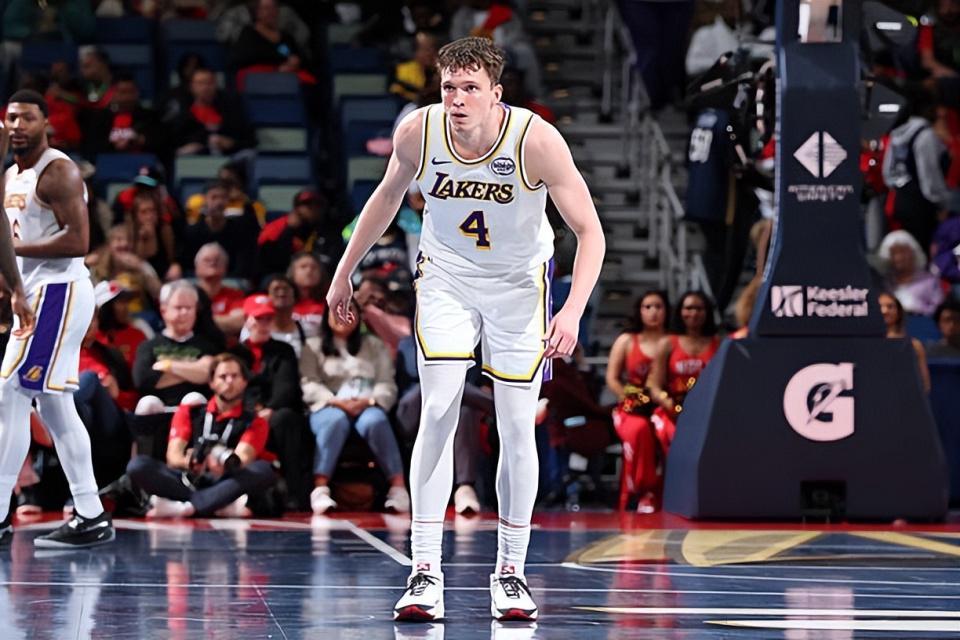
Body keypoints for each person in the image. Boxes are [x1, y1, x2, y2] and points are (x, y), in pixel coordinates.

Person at [325, 38, 605, 621]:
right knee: (437, 410)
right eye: (449, 87)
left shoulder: (535, 141)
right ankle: (424, 571)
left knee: (516, 424)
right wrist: (344, 271)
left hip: (518, 286)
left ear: (496, 94)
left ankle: (511, 573)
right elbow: (386, 197)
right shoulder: (418, 131)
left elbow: (590, 232)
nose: (456, 98)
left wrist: (572, 309)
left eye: (470, 88)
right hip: (446, 279)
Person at [0, 90, 115, 548]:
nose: (18, 126)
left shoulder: (59, 171)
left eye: (27, 118)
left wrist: (11, 251)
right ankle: (91, 513)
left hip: (59, 291)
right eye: (11, 118)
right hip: (33, 293)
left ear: (46, 122)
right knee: (53, 405)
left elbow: (78, 241)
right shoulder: (11, 175)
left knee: (10, 392)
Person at [126, 353, 277, 518]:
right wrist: (190, 462)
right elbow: (173, 457)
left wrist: (221, 465)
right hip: (188, 479)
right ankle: (213, 504)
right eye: (223, 376)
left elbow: (242, 459)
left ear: (244, 381)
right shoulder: (191, 411)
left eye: (234, 376)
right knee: (138, 465)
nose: (229, 381)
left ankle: (186, 507)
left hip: (226, 480)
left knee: (263, 470)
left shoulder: (254, 421)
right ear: (212, 382)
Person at [300, 299, 408, 515]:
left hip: (367, 404)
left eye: (350, 310)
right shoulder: (313, 346)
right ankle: (320, 488)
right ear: (327, 316)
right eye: (337, 311)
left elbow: (386, 382)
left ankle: (398, 488)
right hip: (328, 405)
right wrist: (335, 401)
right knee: (335, 420)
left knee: (375, 420)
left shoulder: (374, 345)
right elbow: (309, 382)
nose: (344, 316)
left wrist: (369, 401)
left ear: (359, 317)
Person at [605, 291, 668, 513]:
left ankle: (668, 494)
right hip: (630, 409)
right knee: (640, 430)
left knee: (669, 433)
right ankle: (641, 492)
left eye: (658, 306)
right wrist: (629, 397)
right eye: (647, 306)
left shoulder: (672, 340)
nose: (653, 312)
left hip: (663, 406)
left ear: (667, 310)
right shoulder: (626, 341)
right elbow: (612, 378)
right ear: (639, 311)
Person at [647, 291, 720, 457]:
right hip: (673, 412)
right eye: (689, 308)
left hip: (707, 413)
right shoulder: (667, 343)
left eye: (699, 308)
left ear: (707, 312)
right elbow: (654, 385)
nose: (693, 313)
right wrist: (668, 402)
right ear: (680, 311)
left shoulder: (718, 344)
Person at [878, 291, 931, 393]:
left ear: (898, 312)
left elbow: (925, 384)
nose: (885, 311)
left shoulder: (914, 345)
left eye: (890, 306)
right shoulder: (867, 344)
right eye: (880, 307)